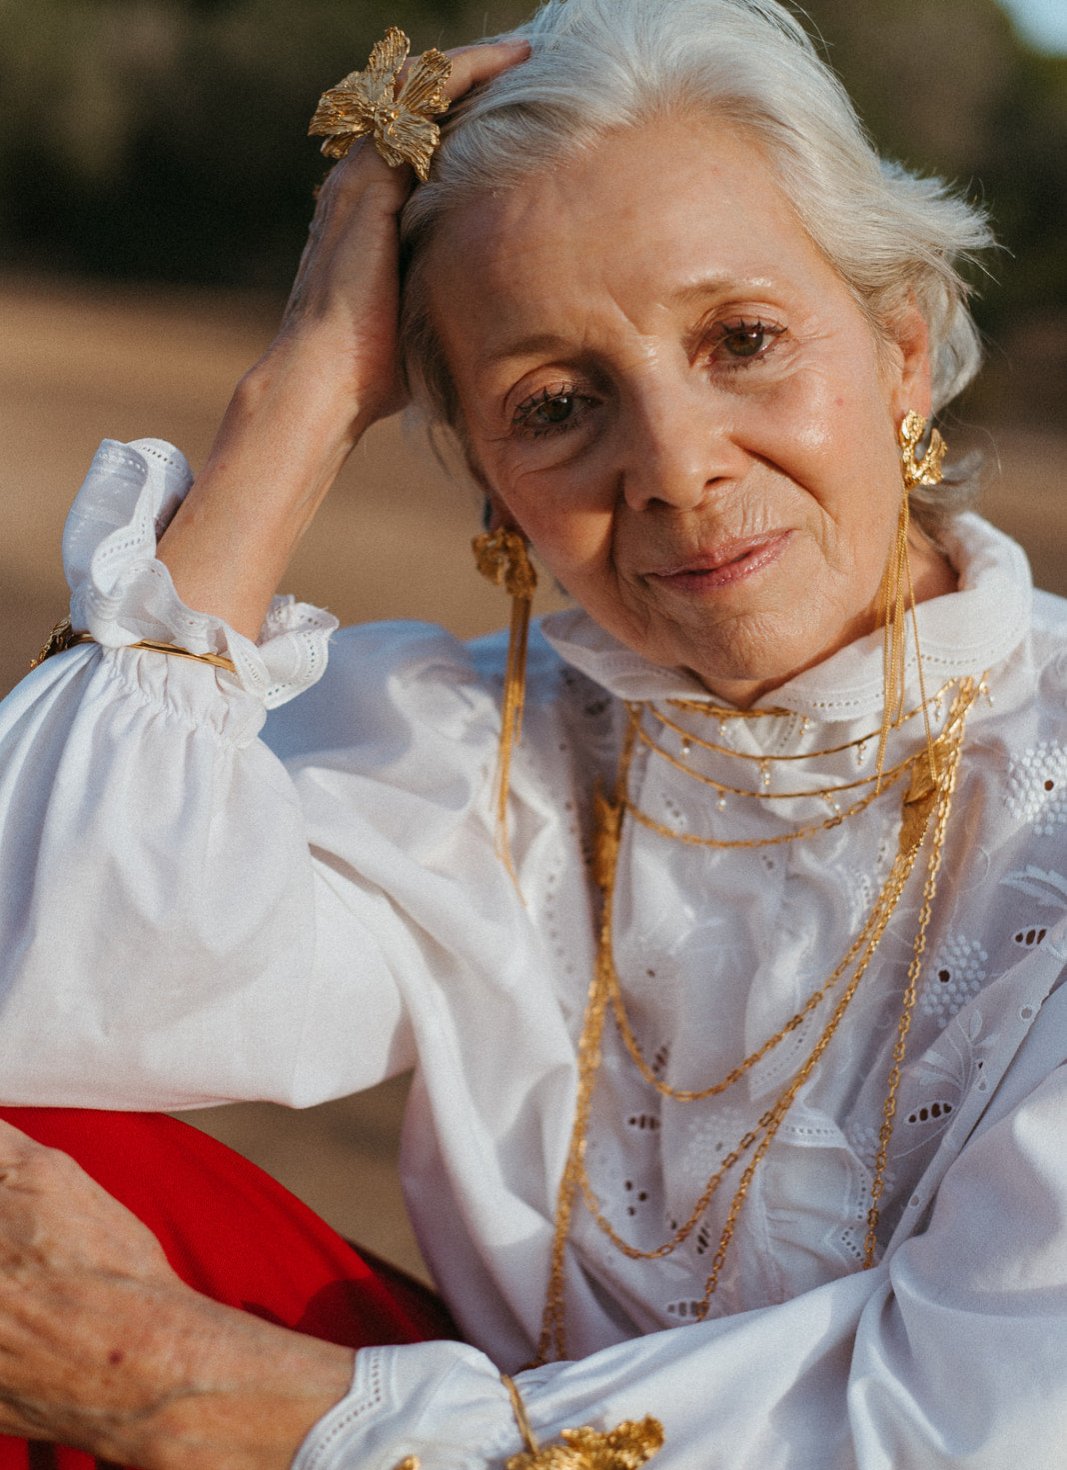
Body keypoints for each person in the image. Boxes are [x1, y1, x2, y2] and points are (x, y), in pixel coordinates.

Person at [0, 0, 1062, 1464]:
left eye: (742, 339)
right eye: (555, 405)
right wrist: (299, 397)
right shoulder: (474, 752)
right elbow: (51, 975)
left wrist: (255, 1406)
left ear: (899, 349)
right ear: (493, 488)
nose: (678, 468)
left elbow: (975, 1423)